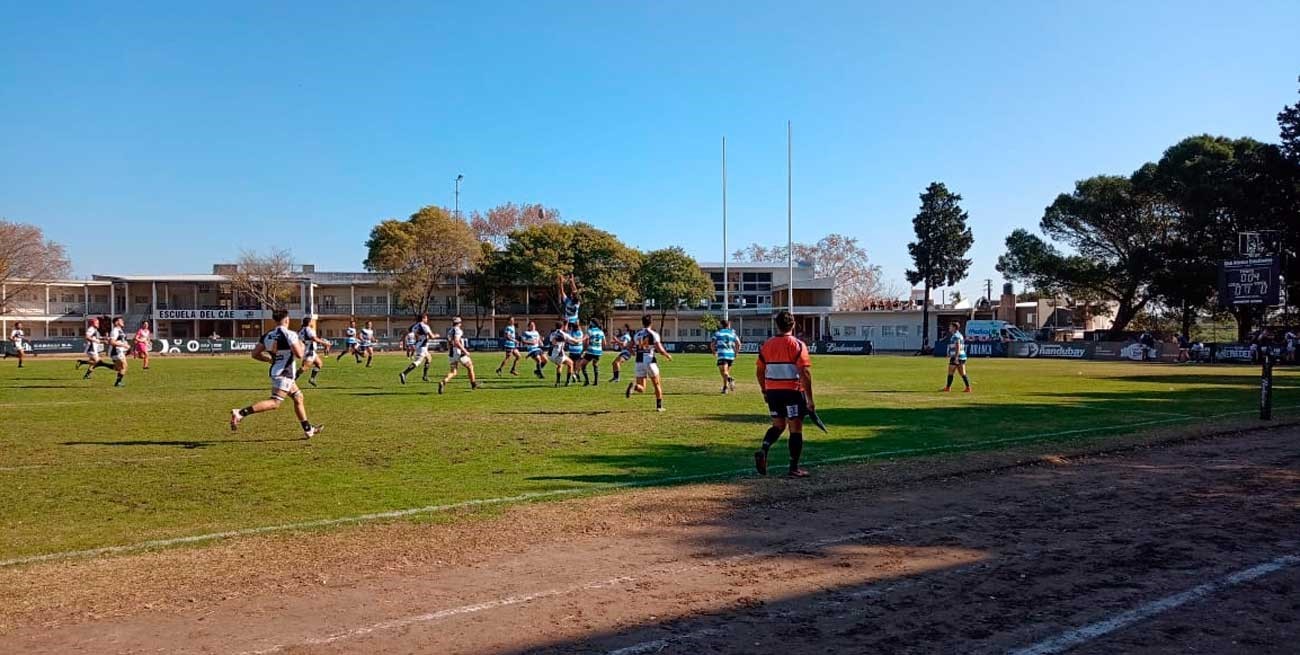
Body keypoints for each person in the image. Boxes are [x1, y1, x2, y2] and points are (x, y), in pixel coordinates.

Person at [230, 308, 322, 438]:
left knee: (298, 397)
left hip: (277, 371)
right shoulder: (290, 334)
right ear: (287, 320)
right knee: (275, 403)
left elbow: (255, 354)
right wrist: (301, 345)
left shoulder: (268, 335)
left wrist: (269, 359)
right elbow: (299, 354)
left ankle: (308, 430)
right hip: (285, 373)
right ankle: (240, 413)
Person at [754, 310, 814, 478]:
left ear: (777, 325)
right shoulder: (798, 345)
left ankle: (764, 449)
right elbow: (805, 373)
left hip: (773, 391)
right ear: (793, 325)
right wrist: (809, 399)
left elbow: (759, 371)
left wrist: (764, 390)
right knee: (795, 429)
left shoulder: (767, 345)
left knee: (778, 425)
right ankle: (794, 467)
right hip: (792, 392)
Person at [625, 314, 673, 411]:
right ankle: (659, 407)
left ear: (642, 323)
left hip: (639, 361)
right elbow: (659, 349)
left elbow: (628, 346)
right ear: (651, 322)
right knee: (657, 384)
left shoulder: (637, 334)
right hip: (650, 361)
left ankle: (635, 386)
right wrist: (667, 355)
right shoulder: (654, 334)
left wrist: (633, 353)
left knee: (641, 388)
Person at [438, 316, 480, 394]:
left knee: (453, 371)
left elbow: (449, 343)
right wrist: (465, 350)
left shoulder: (450, 331)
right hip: (459, 352)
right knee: (470, 366)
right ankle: (473, 384)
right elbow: (457, 342)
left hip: (451, 353)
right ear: (459, 323)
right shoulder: (458, 330)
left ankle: (443, 381)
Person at [399, 314, 435, 385]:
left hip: (419, 345)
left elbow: (414, 334)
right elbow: (431, 336)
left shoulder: (415, 326)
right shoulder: (424, 326)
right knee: (418, 362)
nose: (427, 320)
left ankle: (425, 376)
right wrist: (436, 335)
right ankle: (404, 373)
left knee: (429, 358)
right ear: (423, 318)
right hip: (422, 347)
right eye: (426, 318)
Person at [297, 315, 331, 386]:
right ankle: (291, 379)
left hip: (309, 350)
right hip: (309, 351)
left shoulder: (301, 330)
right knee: (304, 368)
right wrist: (325, 343)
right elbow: (314, 339)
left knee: (319, 364)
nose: (312, 323)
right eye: (311, 321)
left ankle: (312, 379)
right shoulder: (308, 329)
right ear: (309, 323)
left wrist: (322, 341)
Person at [710, 319, 742, 394]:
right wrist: (736, 352)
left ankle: (730, 379)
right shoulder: (732, 333)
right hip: (731, 355)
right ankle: (725, 388)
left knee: (723, 372)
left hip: (722, 354)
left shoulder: (718, 333)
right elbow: (739, 344)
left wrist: (714, 351)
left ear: (721, 325)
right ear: (728, 325)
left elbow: (712, 344)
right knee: (726, 371)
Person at [942, 321, 971, 392]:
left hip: (957, 356)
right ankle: (968, 387)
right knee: (961, 373)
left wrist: (956, 357)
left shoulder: (956, 336)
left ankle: (948, 388)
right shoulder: (959, 335)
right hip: (961, 356)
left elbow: (957, 346)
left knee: (951, 372)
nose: (949, 328)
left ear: (954, 328)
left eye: (950, 326)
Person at [105, 316, 131, 387]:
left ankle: (102, 364)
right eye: (121, 321)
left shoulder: (120, 330)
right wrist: (124, 345)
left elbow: (121, 340)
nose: (123, 321)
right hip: (116, 351)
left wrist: (127, 347)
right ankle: (118, 383)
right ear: (116, 323)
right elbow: (112, 342)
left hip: (120, 351)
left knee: (119, 368)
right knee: (124, 367)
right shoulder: (115, 330)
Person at [548, 322, 576, 387]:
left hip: (552, 355)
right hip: (559, 355)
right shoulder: (564, 334)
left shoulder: (552, 334)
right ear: (562, 326)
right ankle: (568, 382)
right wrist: (583, 339)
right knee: (571, 363)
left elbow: (552, 342)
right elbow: (575, 341)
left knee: (560, 365)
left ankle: (558, 382)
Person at [579, 319, 605, 386]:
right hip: (598, 351)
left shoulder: (590, 331)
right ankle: (596, 382)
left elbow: (586, 342)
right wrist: (600, 349)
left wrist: (583, 350)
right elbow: (604, 343)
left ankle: (587, 381)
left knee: (582, 365)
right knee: (595, 365)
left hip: (591, 350)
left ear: (592, 323)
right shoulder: (601, 332)